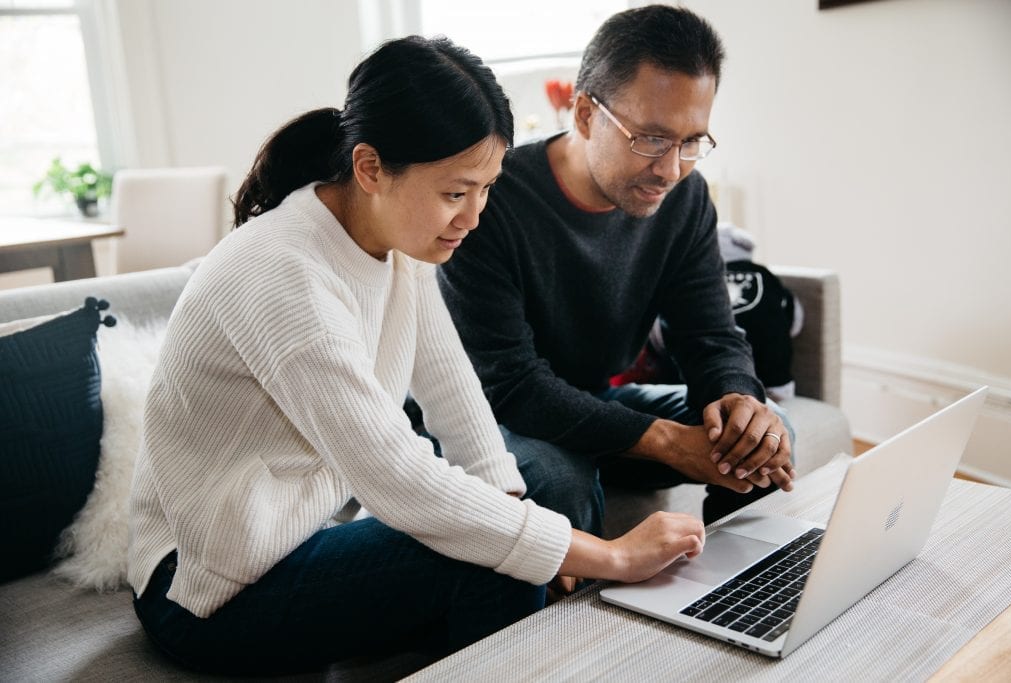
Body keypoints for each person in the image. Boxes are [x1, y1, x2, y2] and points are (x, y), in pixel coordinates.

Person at [126, 35, 705, 677]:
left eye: (485, 189)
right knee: (494, 557)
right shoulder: (280, 274)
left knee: (536, 491)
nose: (473, 217)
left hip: (299, 535)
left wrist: (519, 505)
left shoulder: (398, 241)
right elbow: (398, 478)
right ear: (371, 168)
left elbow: (456, 396)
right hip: (209, 585)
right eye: (456, 193)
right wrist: (608, 556)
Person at [438, 5, 796, 538]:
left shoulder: (686, 199)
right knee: (561, 481)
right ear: (584, 114)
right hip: (492, 416)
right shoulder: (491, 198)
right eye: (651, 139)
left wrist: (738, 400)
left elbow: (710, 335)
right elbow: (512, 386)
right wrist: (668, 441)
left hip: (593, 401)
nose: (671, 169)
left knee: (764, 440)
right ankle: (572, 628)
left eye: (691, 142)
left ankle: (722, 608)